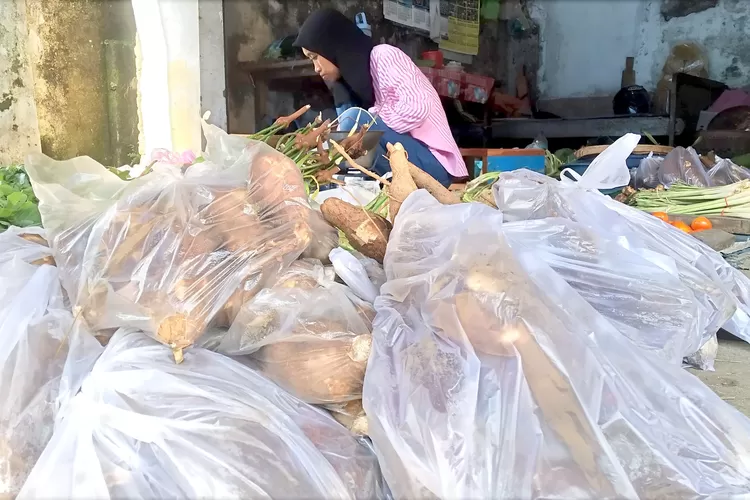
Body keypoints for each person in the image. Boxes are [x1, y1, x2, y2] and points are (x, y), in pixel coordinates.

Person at [294, 8, 468, 187]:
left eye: (315, 57)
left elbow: (418, 108)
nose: (316, 68)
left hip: (434, 166)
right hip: (407, 164)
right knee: (351, 128)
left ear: (330, 46)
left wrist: (371, 118)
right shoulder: (352, 85)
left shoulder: (383, 55)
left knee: (355, 120)